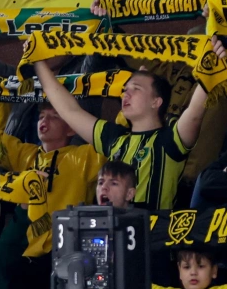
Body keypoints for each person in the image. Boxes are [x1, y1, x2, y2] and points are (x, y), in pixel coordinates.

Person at [36, 64, 208, 212]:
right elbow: (68, 110)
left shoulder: (169, 140)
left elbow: (194, 114)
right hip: (111, 234)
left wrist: (210, 65)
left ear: (156, 102)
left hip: (153, 237)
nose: (126, 94)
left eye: (136, 89)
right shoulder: (115, 138)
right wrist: (38, 61)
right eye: (125, 90)